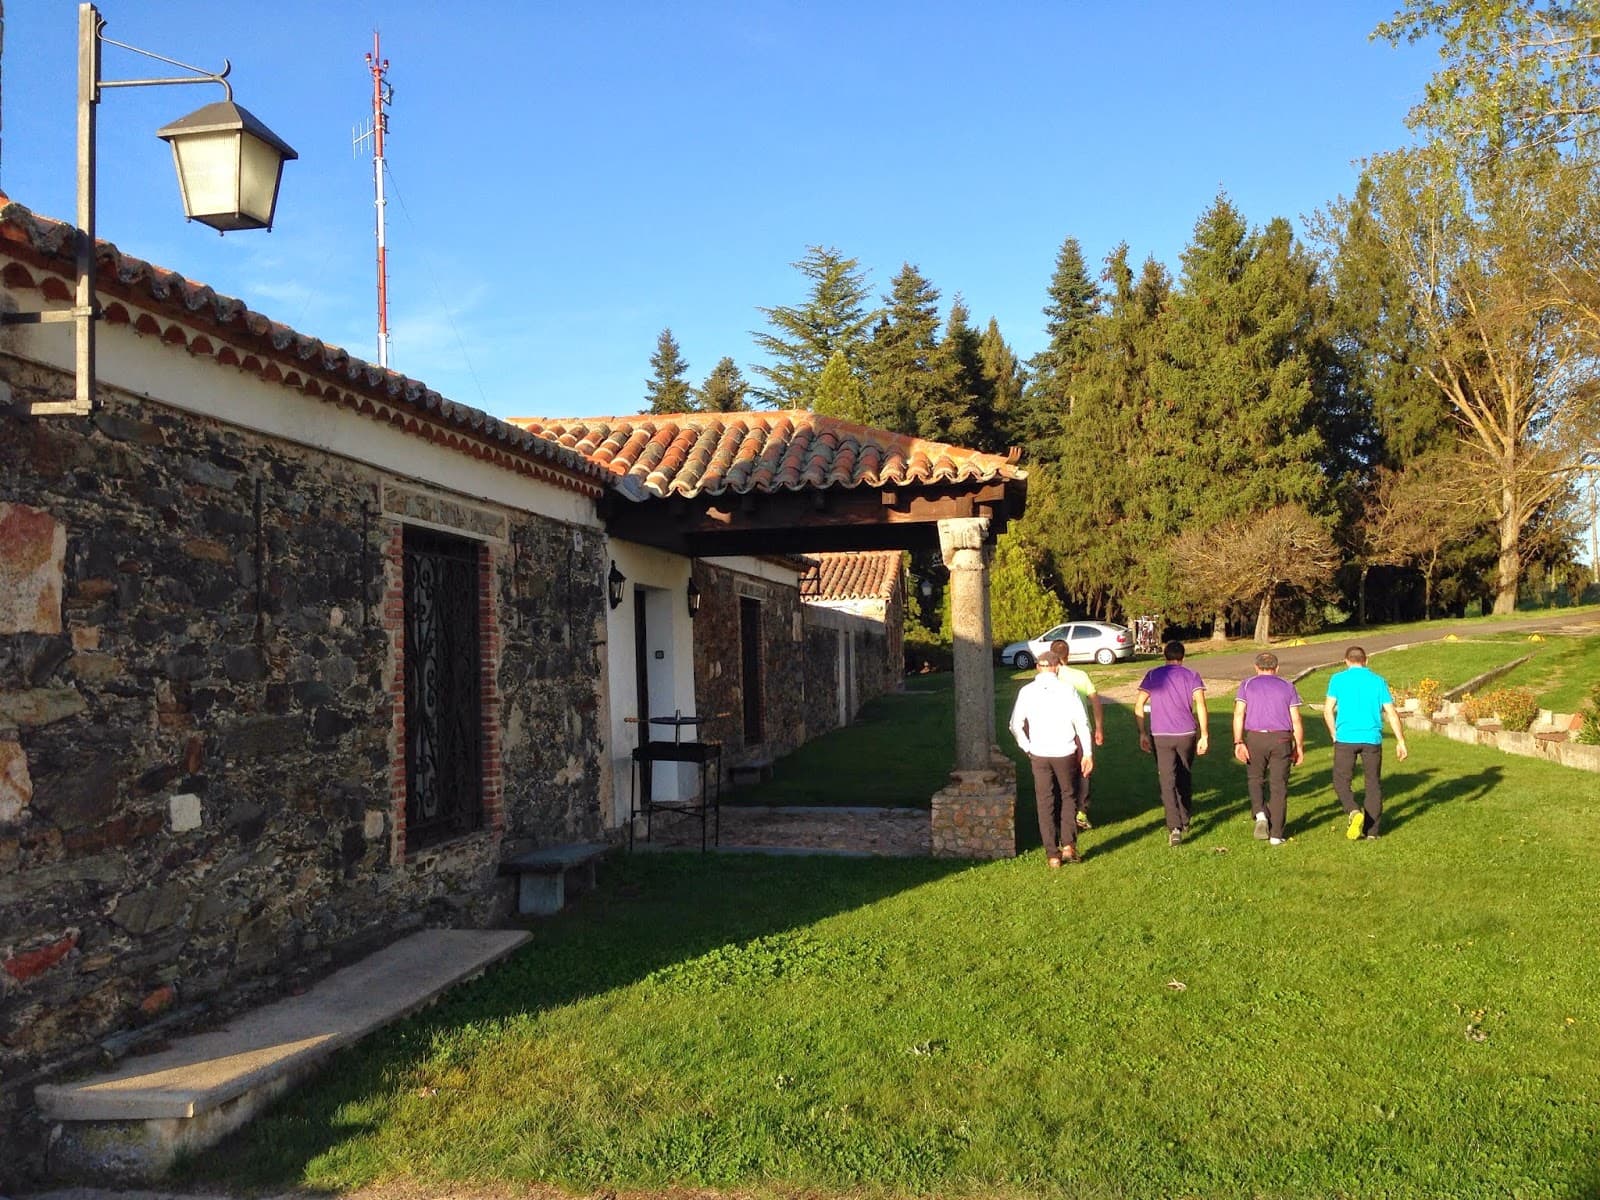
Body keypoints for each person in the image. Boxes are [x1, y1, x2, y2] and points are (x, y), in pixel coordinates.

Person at [1008, 650, 1096, 867]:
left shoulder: (1026, 691)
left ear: (1038, 667)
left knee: (1044, 801)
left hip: (1039, 752)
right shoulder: (1068, 690)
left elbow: (1015, 725)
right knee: (1068, 796)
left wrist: (1027, 747)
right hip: (1064, 751)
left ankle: (1052, 854)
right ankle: (1068, 845)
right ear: (1057, 667)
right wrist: (1087, 753)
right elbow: (1082, 723)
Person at [1323, 645, 1408, 840]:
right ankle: (1372, 832)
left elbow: (1327, 711)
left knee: (1341, 781)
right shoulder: (1378, 681)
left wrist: (1334, 734)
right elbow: (1392, 713)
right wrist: (1400, 741)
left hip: (1346, 738)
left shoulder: (1338, 679)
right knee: (1373, 783)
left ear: (1346, 661)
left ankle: (1353, 811)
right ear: (1366, 661)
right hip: (1372, 739)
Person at [1135, 640, 1208, 845]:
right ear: (1182, 657)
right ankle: (1185, 817)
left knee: (1167, 780)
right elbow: (1201, 705)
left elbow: (1139, 705)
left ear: (1164, 656)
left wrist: (1142, 732)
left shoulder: (1152, 675)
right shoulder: (1192, 675)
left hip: (1161, 735)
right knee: (1184, 774)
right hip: (1186, 733)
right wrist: (1205, 734)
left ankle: (1174, 827)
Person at [1232, 651, 1305, 846]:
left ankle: (1261, 813)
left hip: (1255, 737)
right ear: (1277, 668)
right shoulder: (1288, 686)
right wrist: (1299, 746)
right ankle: (1276, 834)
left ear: (1256, 668)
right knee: (1279, 785)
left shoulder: (1246, 685)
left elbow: (1239, 714)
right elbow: (1296, 719)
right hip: (1281, 738)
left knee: (1255, 778)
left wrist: (1238, 741)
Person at [1050, 638, 1106, 830]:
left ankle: (1059, 813)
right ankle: (1081, 811)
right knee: (1084, 770)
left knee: (1058, 772)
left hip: (1056, 732)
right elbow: (1095, 700)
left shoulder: (1048, 678)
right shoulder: (1080, 676)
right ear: (1068, 655)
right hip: (1081, 731)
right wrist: (1098, 727)